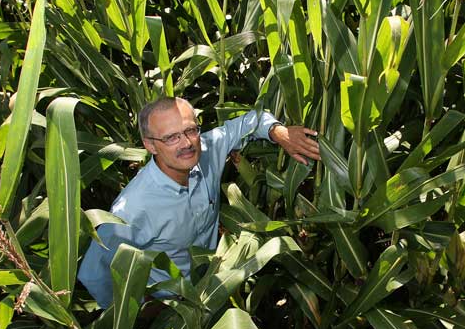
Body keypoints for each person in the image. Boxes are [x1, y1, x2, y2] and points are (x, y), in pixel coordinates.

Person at [78, 96, 320, 308]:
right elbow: (93, 275)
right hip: (171, 306)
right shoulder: (132, 209)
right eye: (171, 138)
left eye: (190, 130)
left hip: (214, 281)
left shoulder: (205, 149)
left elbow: (250, 122)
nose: (186, 143)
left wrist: (279, 133)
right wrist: (138, 312)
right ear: (150, 145)